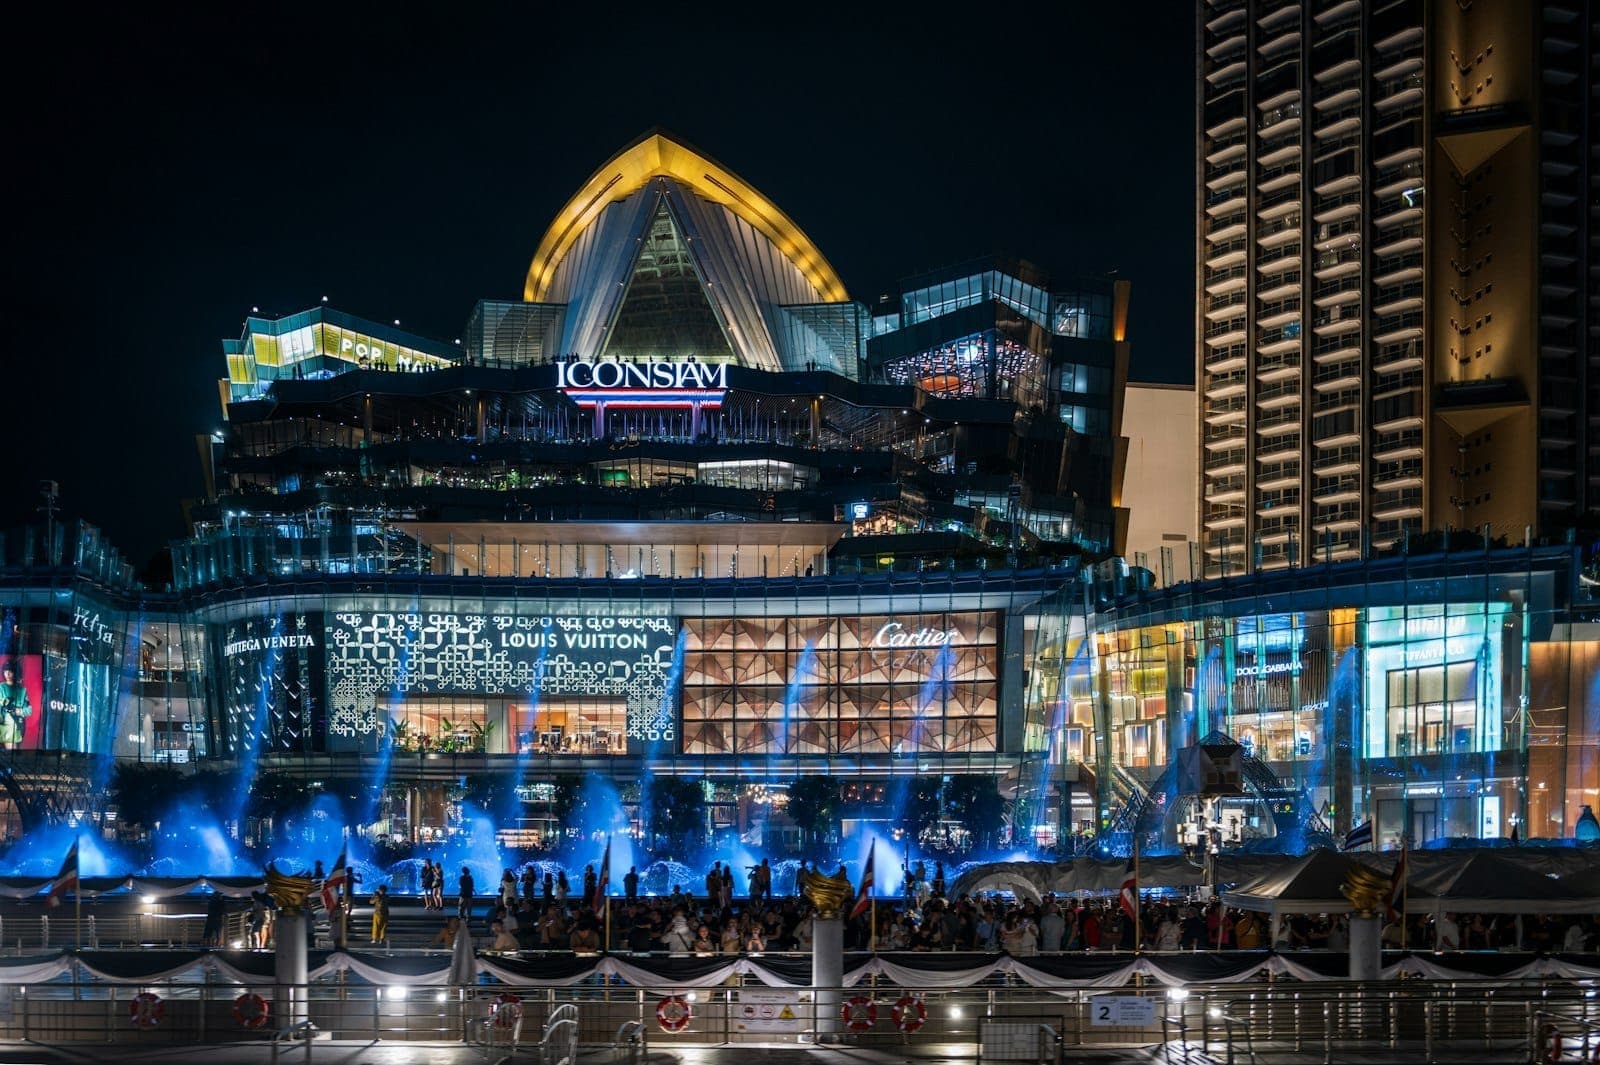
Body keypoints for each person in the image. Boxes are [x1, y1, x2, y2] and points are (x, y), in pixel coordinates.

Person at [0, 661, 32, 749]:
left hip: (19, 725)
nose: (7, 673)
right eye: (5, 670)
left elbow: (29, 710)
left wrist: (20, 711)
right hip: (5, 724)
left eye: (10, 670)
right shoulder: (1, 688)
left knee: (15, 753)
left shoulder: (22, 690)